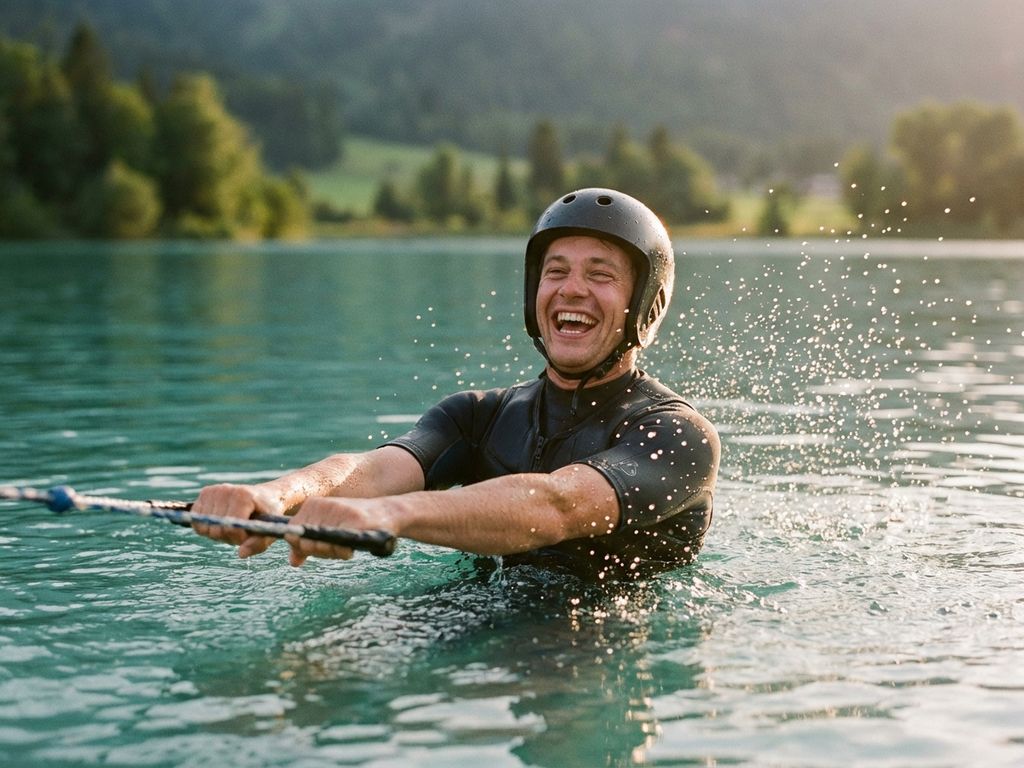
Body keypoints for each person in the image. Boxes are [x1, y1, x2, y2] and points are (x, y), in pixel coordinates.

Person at [192, 188, 720, 580]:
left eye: (601, 275)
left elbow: (558, 504)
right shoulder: (479, 415)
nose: (571, 290)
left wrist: (387, 515)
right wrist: (275, 495)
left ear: (645, 304)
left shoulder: (675, 436)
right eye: (555, 271)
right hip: (476, 608)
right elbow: (371, 470)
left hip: (606, 636)